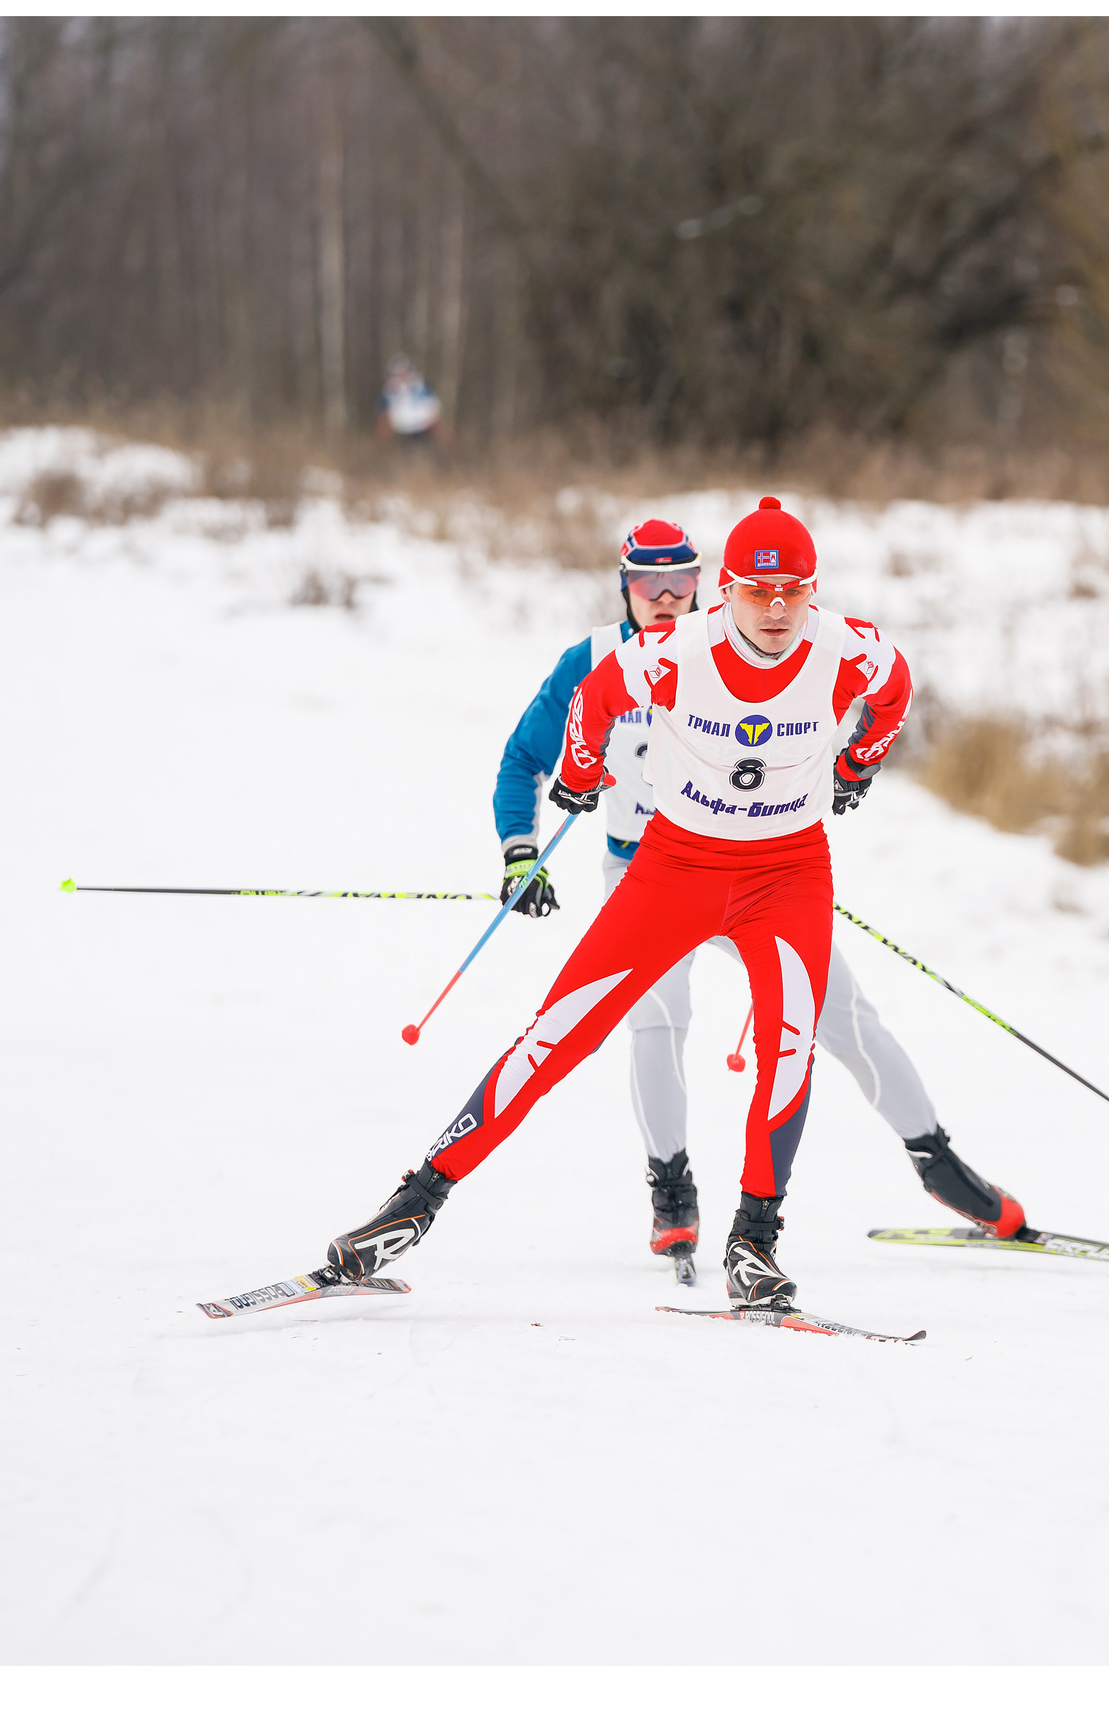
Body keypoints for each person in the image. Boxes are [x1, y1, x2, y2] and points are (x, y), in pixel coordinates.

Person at [329, 498, 998, 1309]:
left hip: (786, 875)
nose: (777, 607)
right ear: (728, 594)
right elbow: (591, 703)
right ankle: (415, 1203)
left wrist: (858, 763)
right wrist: (572, 783)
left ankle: (754, 1240)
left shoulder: (848, 648)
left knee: (795, 1045)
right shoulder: (672, 652)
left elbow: (896, 692)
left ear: (812, 590)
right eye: (759, 591)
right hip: (670, 869)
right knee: (559, 1035)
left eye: (793, 590)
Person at [487, 515, 1033, 1280]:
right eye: (649, 583)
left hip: (758, 869)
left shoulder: (731, 647)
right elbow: (525, 760)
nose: (667, 598)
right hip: (648, 871)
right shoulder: (599, 659)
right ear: (625, 586)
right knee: (660, 1021)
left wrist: (841, 775)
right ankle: (672, 1193)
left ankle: (936, 1161)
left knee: (841, 1019)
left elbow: (849, 705)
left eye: (683, 580)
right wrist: (520, 852)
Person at [376, 354, 444, 449]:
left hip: (422, 422)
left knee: (440, 424)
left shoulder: (421, 385)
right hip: (399, 423)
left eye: (404, 372)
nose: (401, 375)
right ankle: (380, 451)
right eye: (398, 373)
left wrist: (430, 418)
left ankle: (448, 452)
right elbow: (381, 410)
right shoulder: (389, 390)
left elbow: (433, 404)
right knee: (382, 422)